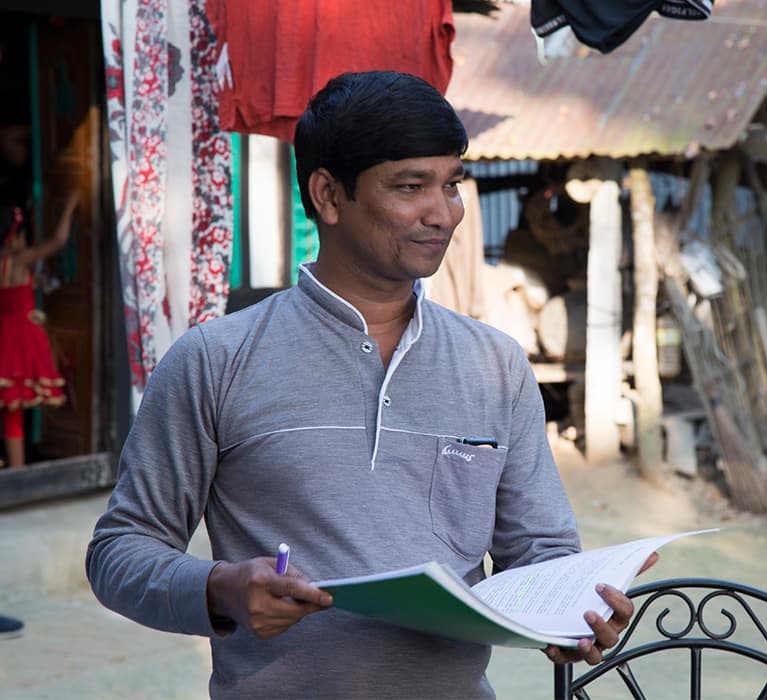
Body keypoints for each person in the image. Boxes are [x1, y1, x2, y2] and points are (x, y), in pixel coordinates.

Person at [86, 70, 654, 699]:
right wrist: (218, 588)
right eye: (411, 187)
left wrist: (573, 610)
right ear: (329, 195)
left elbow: (541, 551)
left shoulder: (496, 364)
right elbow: (120, 551)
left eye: (452, 185)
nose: (443, 213)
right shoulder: (215, 360)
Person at [0, 120, 81, 468]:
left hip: (6, 332)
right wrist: (71, 205)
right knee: (14, 410)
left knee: (10, 410)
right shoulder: (18, 259)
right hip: (18, 338)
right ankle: (19, 473)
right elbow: (59, 241)